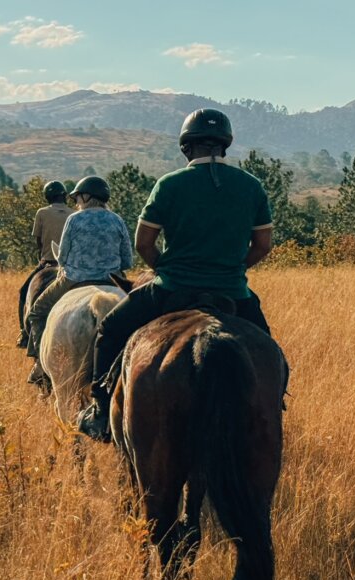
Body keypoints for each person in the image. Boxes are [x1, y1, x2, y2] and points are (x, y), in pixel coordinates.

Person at [78, 108, 274, 442]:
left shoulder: (169, 184)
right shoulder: (251, 186)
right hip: (233, 291)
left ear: (186, 148)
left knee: (110, 330)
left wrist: (165, 269)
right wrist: (234, 268)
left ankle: (99, 410)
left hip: (172, 288)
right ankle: (271, 406)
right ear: (225, 145)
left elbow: (144, 243)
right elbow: (263, 245)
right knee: (270, 351)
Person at [25, 175, 133, 386]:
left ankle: (40, 364)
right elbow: (127, 260)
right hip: (113, 280)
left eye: (77, 198)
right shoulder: (117, 219)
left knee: (37, 312)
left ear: (85, 196)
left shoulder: (75, 219)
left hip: (74, 279)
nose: (75, 202)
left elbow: (62, 256)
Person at [17, 181, 74, 348]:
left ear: (48, 197)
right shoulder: (73, 214)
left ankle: (24, 334)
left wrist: (42, 258)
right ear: (64, 196)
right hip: (69, 267)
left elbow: (39, 242)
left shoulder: (41, 213)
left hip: (48, 262)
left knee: (23, 292)